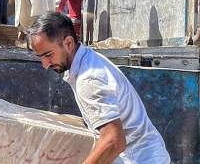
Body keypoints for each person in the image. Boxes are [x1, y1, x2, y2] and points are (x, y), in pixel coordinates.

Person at [27, 12, 170, 163]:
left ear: (68, 43)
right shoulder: (87, 60)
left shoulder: (89, 79)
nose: (45, 65)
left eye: (48, 55)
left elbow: (114, 141)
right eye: (41, 57)